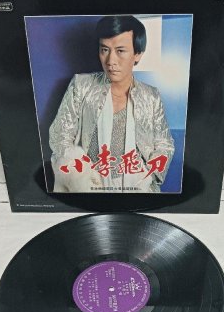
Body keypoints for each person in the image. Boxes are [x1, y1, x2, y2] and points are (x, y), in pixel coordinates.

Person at [49, 15, 174, 193]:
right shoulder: (81, 86)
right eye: (104, 50)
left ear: (137, 54)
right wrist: (81, 180)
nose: (110, 61)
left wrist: (148, 177)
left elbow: (164, 145)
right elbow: (60, 135)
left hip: (137, 190)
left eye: (120, 51)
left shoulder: (151, 96)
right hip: (88, 190)